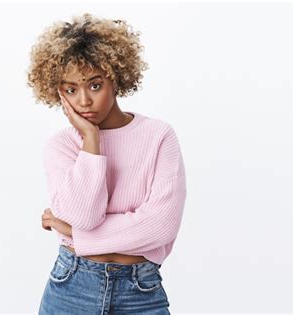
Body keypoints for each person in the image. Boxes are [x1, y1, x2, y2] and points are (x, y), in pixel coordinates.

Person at [27, 12, 187, 314]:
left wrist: (73, 232)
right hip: (71, 288)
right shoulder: (61, 145)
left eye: (95, 85)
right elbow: (85, 216)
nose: (84, 101)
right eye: (71, 89)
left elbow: (158, 227)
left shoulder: (158, 136)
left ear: (115, 77)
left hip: (141, 292)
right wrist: (90, 138)